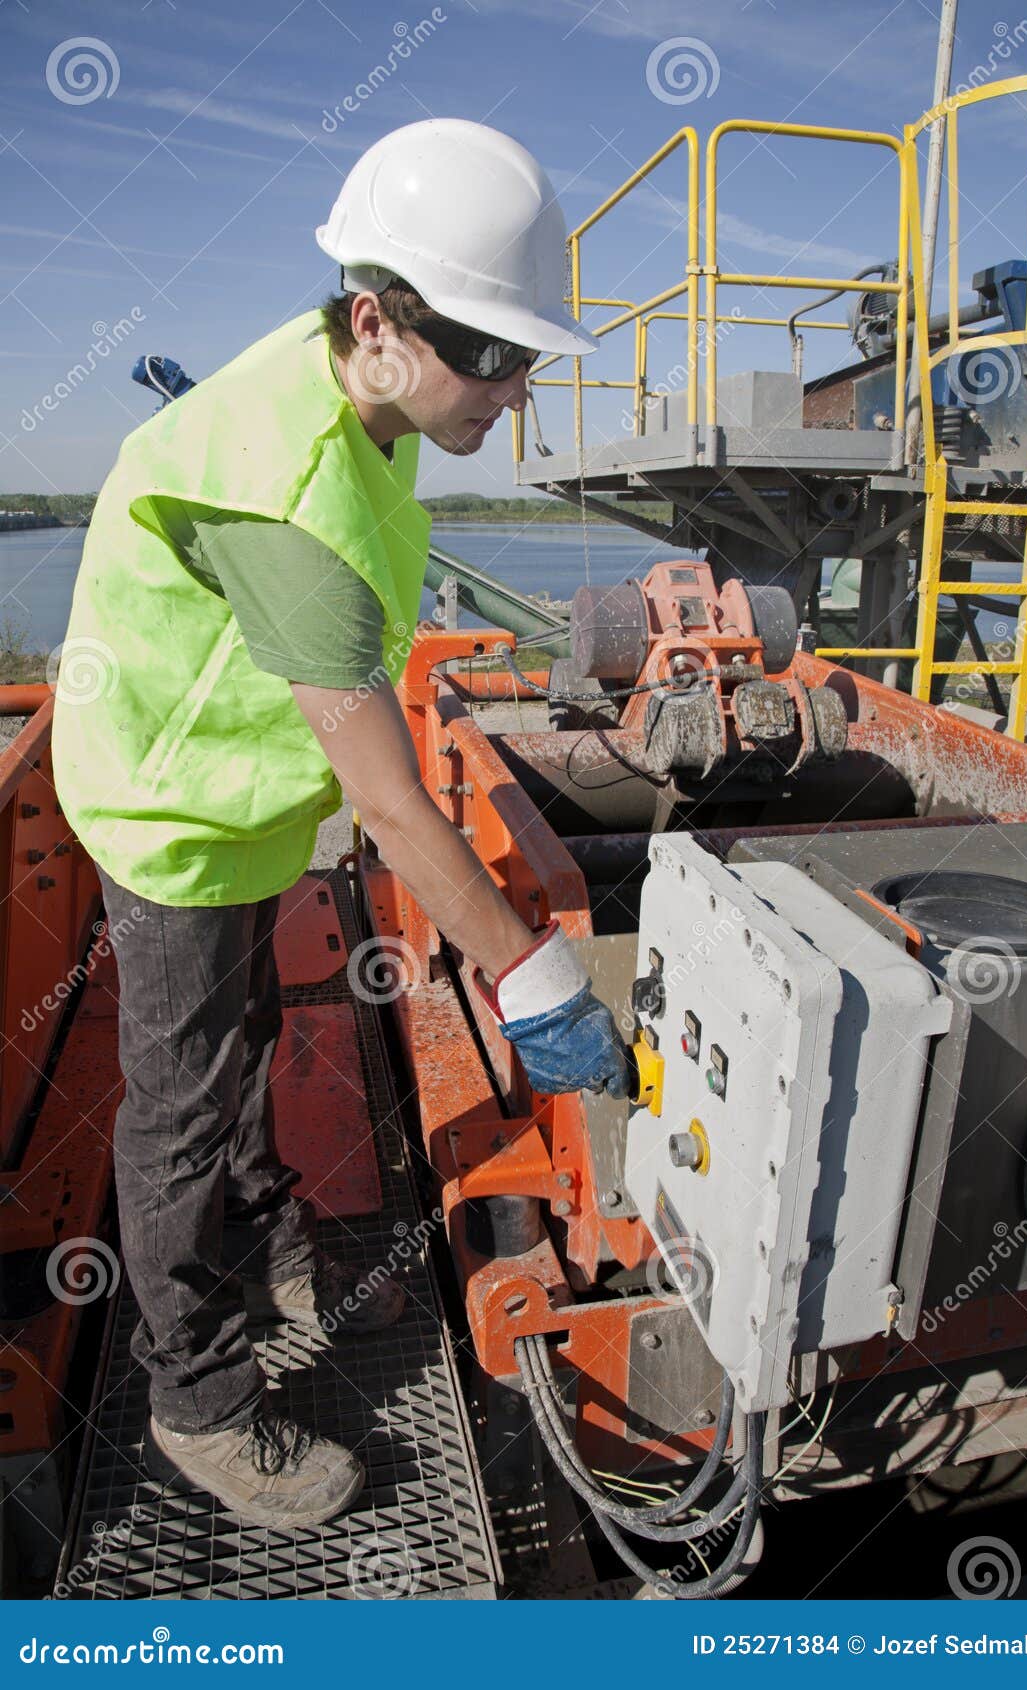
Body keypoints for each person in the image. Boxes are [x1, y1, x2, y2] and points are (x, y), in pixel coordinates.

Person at [50, 118, 629, 1531]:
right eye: (488, 354)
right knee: (181, 1101)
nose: (513, 388)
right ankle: (196, 1399)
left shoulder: (362, 397)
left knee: (246, 1033)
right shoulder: (298, 493)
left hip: (242, 791)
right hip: (171, 803)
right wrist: (538, 973)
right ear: (375, 321)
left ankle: (261, 1238)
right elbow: (387, 798)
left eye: (527, 357)